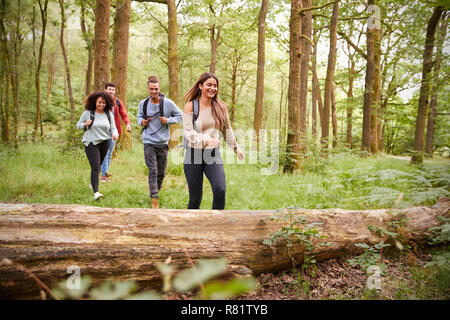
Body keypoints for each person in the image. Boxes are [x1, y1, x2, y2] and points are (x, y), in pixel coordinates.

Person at [182, 72, 244, 210]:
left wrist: (236, 148)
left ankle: (217, 224)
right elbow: (188, 133)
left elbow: (227, 130)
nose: (212, 88)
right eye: (209, 85)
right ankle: (191, 226)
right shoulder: (191, 106)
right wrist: (207, 140)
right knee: (195, 198)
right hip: (193, 155)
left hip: (212, 155)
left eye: (215, 86)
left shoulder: (221, 107)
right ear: (200, 86)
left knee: (220, 189)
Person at [137, 76, 183, 209]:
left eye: (156, 89)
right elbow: (139, 116)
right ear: (148, 89)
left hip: (163, 143)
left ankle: (155, 188)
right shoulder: (143, 103)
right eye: (151, 89)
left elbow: (180, 115)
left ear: (159, 88)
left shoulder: (168, 103)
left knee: (161, 172)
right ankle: (154, 197)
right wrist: (142, 122)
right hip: (149, 142)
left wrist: (168, 121)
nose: (154, 91)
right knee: (153, 170)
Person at [76, 91, 119, 200]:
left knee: (98, 166)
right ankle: (96, 193)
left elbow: (113, 127)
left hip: (104, 142)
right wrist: (85, 124)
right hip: (91, 142)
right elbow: (78, 125)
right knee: (95, 167)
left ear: (107, 103)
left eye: (104, 103)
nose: (101, 105)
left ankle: (92, 183)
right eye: (99, 102)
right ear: (95, 102)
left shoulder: (109, 114)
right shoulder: (89, 112)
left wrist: (115, 134)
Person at [100, 82, 131, 182]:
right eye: (109, 89)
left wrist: (127, 124)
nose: (111, 91)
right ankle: (104, 175)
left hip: (114, 132)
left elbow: (124, 114)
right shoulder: (101, 101)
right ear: (105, 90)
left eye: (113, 90)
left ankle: (106, 173)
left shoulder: (117, 102)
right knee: (105, 152)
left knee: (109, 154)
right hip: (102, 131)